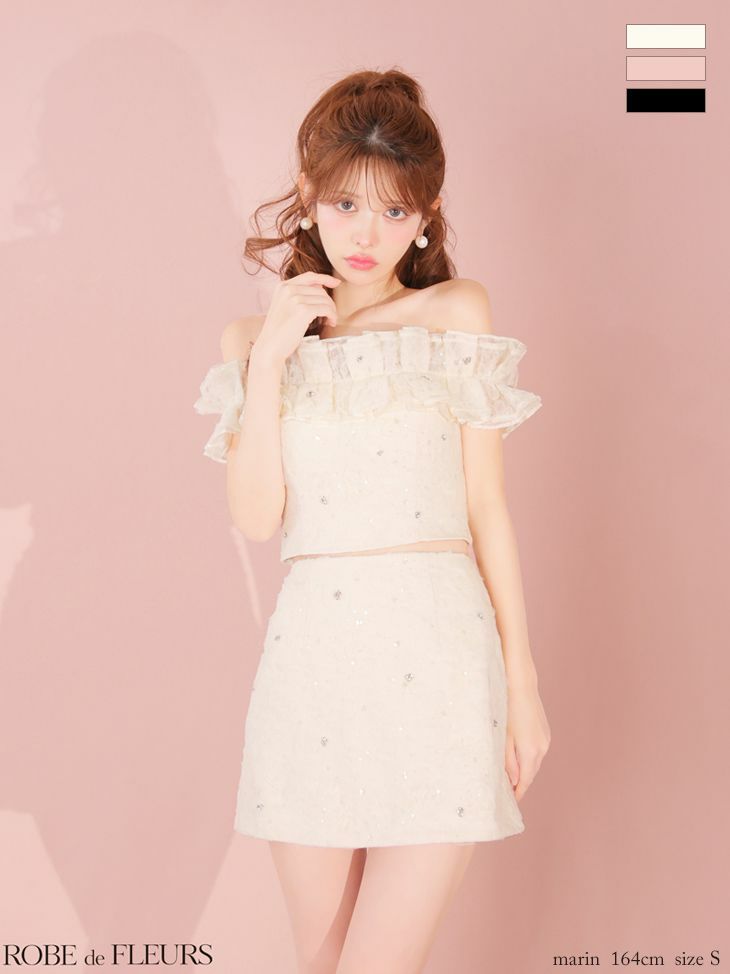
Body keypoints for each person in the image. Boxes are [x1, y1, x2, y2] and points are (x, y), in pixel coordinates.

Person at [194, 68, 551, 974]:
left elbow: (487, 508)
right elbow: (256, 518)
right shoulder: (252, 343)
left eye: (394, 212)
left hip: (440, 660)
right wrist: (271, 363)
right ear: (308, 196)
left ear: (427, 216)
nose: (366, 234)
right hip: (311, 669)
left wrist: (523, 686)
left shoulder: (454, 314)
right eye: (347, 204)